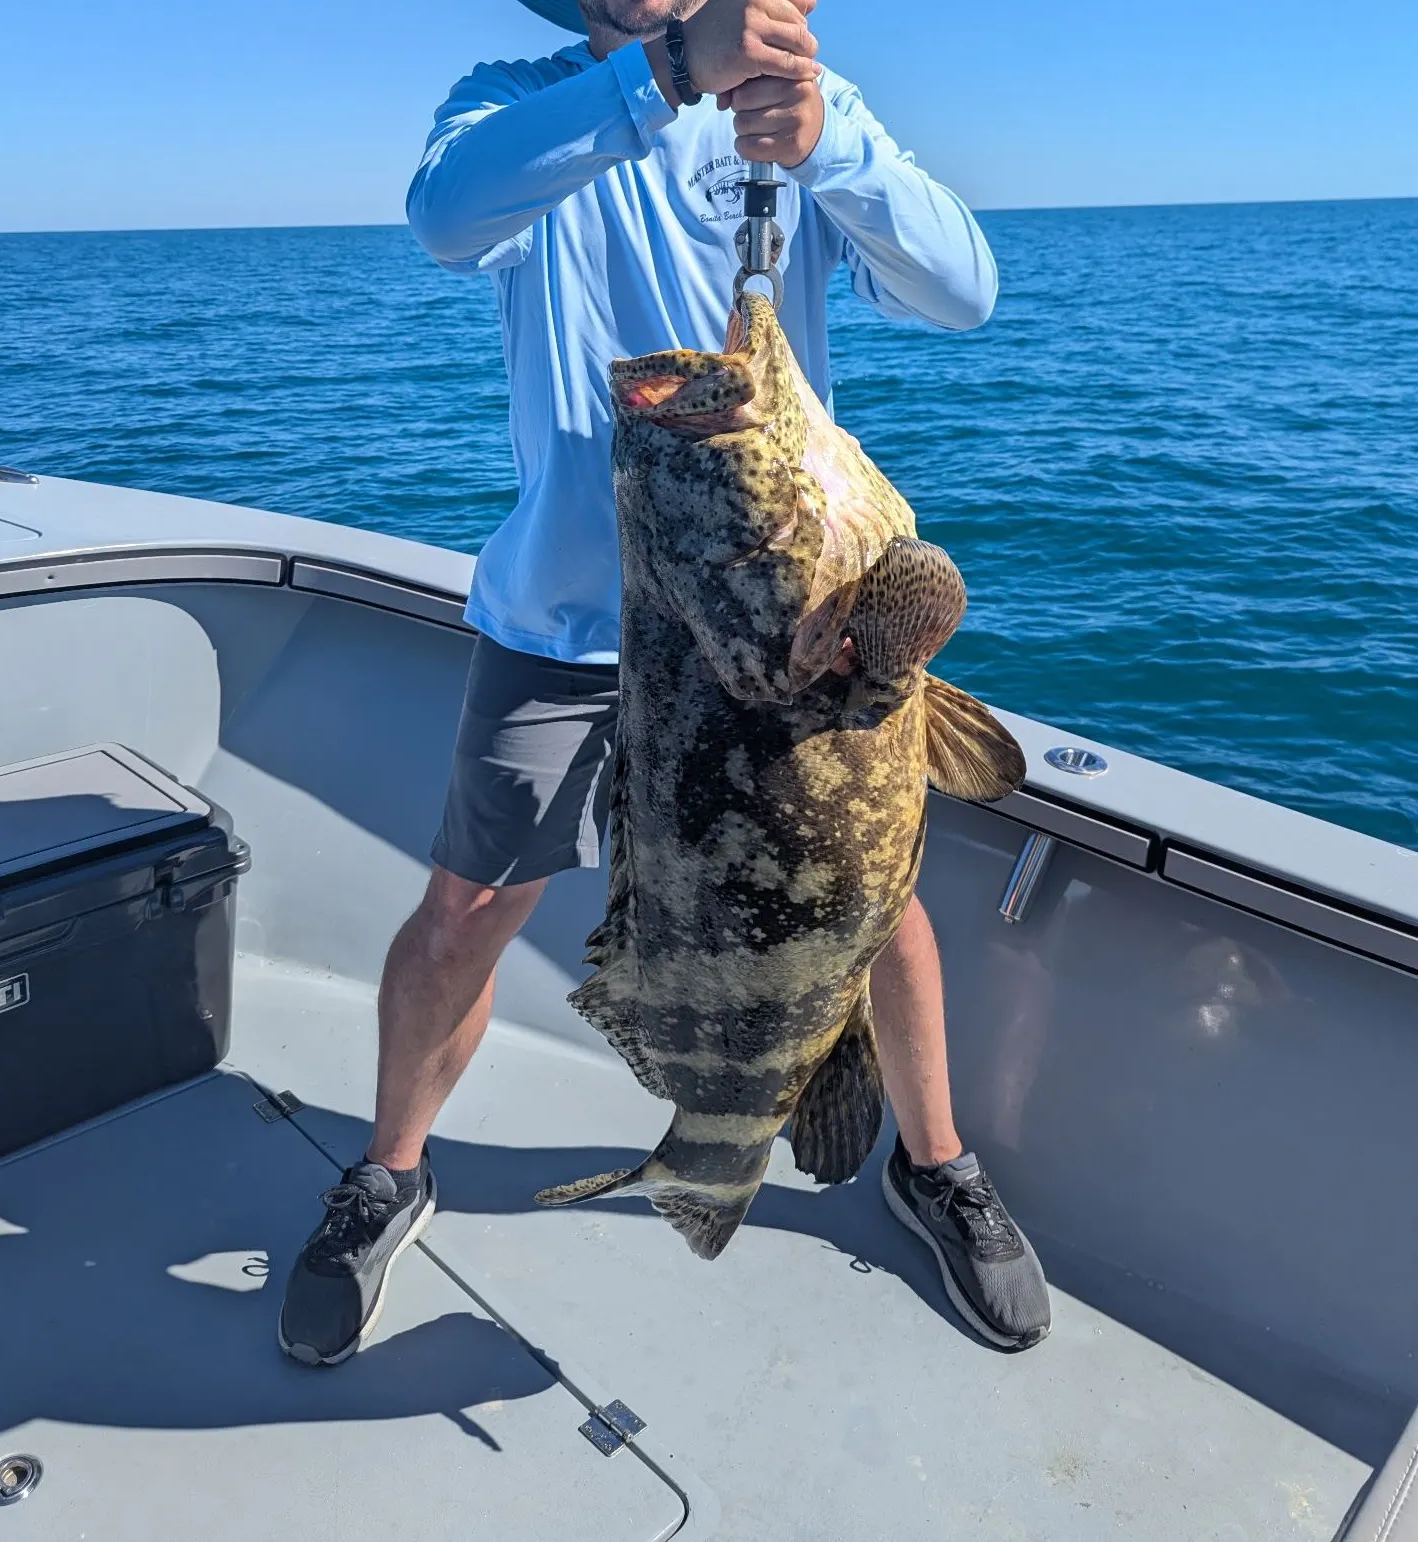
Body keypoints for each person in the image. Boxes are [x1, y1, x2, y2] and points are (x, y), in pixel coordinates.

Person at [278, 0, 1051, 1367]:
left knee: (873, 906)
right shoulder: (514, 99)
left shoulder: (810, 100)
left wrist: (828, 154)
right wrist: (665, 79)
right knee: (462, 908)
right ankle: (390, 1168)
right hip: (564, 620)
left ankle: (931, 1163)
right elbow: (447, 217)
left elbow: (962, 292)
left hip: (784, 619)